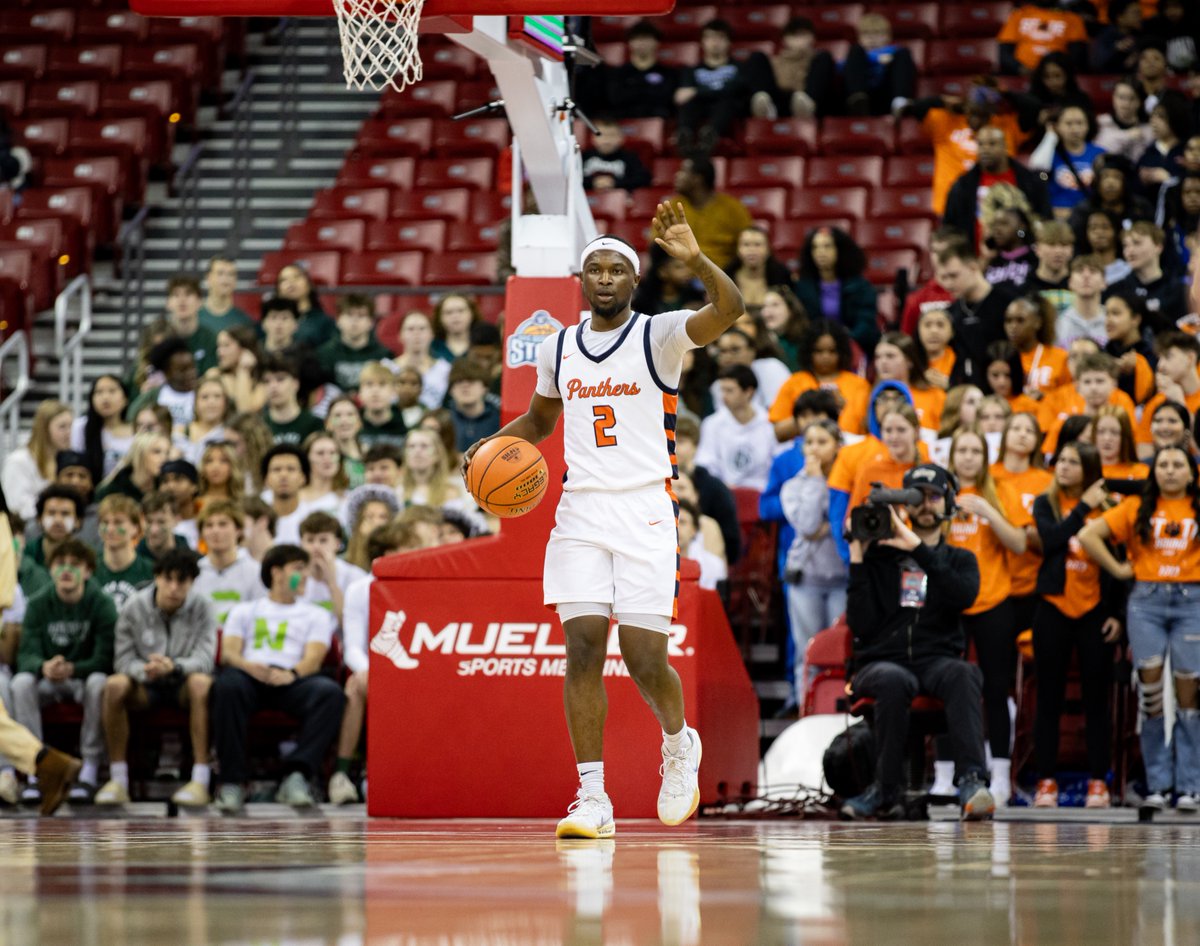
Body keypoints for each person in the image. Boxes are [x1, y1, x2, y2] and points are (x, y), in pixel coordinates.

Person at [462, 205, 746, 838]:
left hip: (646, 507)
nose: (607, 278)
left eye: (619, 269)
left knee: (644, 658)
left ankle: (678, 745)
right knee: (584, 647)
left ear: (634, 280)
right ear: (582, 282)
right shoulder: (557, 346)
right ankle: (592, 796)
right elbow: (538, 424)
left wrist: (697, 260)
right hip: (581, 510)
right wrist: (487, 448)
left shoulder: (661, 334)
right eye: (597, 269)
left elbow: (730, 311)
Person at [841, 464, 993, 821]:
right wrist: (859, 557)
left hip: (935, 660)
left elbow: (963, 596)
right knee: (895, 679)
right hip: (879, 663)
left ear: (949, 503)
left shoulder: (961, 560)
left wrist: (918, 549)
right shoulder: (878, 558)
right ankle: (884, 789)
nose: (926, 505)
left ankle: (972, 782)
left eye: (935, 497)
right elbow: (861, 626)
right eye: (916, 497)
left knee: (964, 673)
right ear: (903, 505)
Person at [1079, 446, 1200, 812]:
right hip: (1146, 601)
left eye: (1178, 464)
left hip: (1192, 601)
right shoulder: (1136, 507)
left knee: (1189, 693)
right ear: (1153, 472)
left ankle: (1190, 786)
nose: (1170, 471)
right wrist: (1118, 571)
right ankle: (1158, 785)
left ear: (1192, 473)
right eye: (1163, 464)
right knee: (1151, 696)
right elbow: (1088, 536)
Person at [210, 544, 344, 813]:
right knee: (226, 686)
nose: (305, 576)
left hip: (292, 678)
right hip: (251, 675)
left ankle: (297, 775)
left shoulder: (315, 614)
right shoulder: (245, 610)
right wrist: (249, 666)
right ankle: (232, 780)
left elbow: (314, 658)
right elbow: (229, 654)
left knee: (330, 693)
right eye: (298, 569)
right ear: (277, 572)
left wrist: (291, 674)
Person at [1030, 440, 1121, 808]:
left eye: (1072, 462)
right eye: (1060, 460)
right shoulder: (1045, 503)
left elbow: (1119, 562)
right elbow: (1051, 541)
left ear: (1089, 467)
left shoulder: (1111, 507)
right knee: (1047, 698)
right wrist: (1083, 507)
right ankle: (1046, 781)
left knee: (1096, 699)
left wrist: (1117, 613)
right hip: (1052, 609)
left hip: (1095, 611)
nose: (1063, 467)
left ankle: (1099, 781)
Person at [944, 427, 1032, 805]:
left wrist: (987, 512)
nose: (967, 457)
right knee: (948, 689)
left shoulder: (1000, 492)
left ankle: (999, 774)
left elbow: (1019, 543)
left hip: (995, 600)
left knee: (996, 690)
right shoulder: (938, 494)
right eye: (961, 450)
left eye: (974, 451)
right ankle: (946, 773)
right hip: (950, 605)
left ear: (984, 457)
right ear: (952, 457)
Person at [95, 549, 217, 807]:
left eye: (181, 581)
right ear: (156, 578)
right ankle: (118, 780)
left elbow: (206, 659)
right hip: (145, 684)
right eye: (167, 579)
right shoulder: (134, 606)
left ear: (191, 583)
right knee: (114, 685)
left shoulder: (203, 607)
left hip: (182, 682)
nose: (173, 588)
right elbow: (122, 660)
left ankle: (200, 779)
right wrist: (145, 670)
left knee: (201, 684)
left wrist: (174, 667)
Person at [12, 538, 117, 805]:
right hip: (48, 680)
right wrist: (42, 666)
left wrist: (73, 668)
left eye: (75, 564)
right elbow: (25, 656)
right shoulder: (37, 603)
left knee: (100, 682)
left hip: (81, 679)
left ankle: (89, 771)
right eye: (60, 564)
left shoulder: (102, 603)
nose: (66, 570)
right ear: (50, 569)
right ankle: (36, 770)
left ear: (89, 571)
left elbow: (106, 659)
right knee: (21, 683)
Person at [331, 521, 411, 805]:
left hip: (416, 669)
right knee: (356, 685)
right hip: (376, 668)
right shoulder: (360, 589)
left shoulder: (419, 584)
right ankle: (341, 775)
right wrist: (370, 671)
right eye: (406, 550)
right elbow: (352, 646)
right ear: (385, 554)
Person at [780, 418, 846, 706]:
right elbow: (807, 525)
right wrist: (816, 480)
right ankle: (806, 707)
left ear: (837, 446)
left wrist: (828, 525)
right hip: (805, 579)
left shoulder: (847, 482)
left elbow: (843, 523)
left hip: (841, 579)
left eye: (823, 442)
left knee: (839, 650)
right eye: (809, 442)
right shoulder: (793, 487)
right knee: (807, 649)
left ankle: (836, 708)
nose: (814, 449)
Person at [934, 243, 1018, 387]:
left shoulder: (1008, 303)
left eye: (954, 275)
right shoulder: (951, 313)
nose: (948, 284)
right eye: (943, 277)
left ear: (973, 267)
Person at [769, 320, 868, 440]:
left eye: (832, 351)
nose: (825, 356)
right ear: (809, 352)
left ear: (841, 352)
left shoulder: (858, 384)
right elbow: (777, 432)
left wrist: (846, 406)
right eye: (819, 351)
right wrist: (808, 414)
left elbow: (868, 429)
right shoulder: (794, 382)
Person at [792, 227, 879, 355]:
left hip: (853, 347)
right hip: (815, 350)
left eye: (827, 246)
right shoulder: (802, 287)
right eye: (815, 247)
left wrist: (846, 342)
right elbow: (802, 325)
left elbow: (866, 323)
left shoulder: (860, 286)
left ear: (840, 250)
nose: (821, 252)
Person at [673, 18, 752, 155]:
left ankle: (710, 135)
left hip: (726, 111)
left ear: (729, 42)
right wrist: (718, 90)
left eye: (720, 38)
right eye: (710, 37)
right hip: (700, 108)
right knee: (688, 105)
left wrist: (698, 91)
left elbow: (737, 90)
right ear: (702, 42)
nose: (715, 43)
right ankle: (684, 135)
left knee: (727, 102)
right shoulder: (691, 71)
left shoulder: (739, 68)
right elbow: (681, 97)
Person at [695, 365, 776, 491]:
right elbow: (706, 464)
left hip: (761, 493)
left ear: (749, 392)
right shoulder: (712, 424)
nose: (724, 397)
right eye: (722, 390)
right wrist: (722, 488)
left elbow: (776, 464)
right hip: (723, 494)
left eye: (730, 390)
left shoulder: (769, 423)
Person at [668, 157, 753, 271]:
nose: (677, 175)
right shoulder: (671, 207)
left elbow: (748, 245)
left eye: (683, 171)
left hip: (723, 276)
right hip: (681, 279)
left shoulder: (733, 209)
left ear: (697, 179)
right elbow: (657, 249)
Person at [748, 16, 834, 120]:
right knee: (757, 57)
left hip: (808, 99)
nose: (799, 40)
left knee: (824, 57)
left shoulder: (818, 60)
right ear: (785, 39)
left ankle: (807, 106)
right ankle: (766, 107)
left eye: (803, 35)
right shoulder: (775, 61)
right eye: (794, 36)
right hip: (779, 102)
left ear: (812, 38)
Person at [1029, 105, 1106, 220]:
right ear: (1057, 126)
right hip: (1058, 215)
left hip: (1089, 216)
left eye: (1080, 123)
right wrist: (1050, 135)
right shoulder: (1050, 153)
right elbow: (1036, 166)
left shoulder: (1100, 153)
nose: (1075, 129)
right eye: (1068, 124)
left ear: (1088, 126)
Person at [193, 500, 263, 625]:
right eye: (209, 525)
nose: (215, 531)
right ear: (202, 533)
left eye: (223, 524)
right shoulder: (193, 572)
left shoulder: (256, 571)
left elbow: (261, 616)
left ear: (238, 530)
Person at [1, 400, 73, 521]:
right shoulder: (18, 461)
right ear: (44, 429)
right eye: (62, 427)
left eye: (70, 426)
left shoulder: (65, 460)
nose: (69, 432)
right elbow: (18, 508)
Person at [1108, 222, 1187, 330]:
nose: (1129, 251)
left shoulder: (1178, 290)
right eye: (1125, 245)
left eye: (1137, 243)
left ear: (1158, 247)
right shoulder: (1116, 291)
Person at [840, 12, 915, 117]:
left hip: (886, 97)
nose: (872, 39)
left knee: (903, 54)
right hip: (861, 98)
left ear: (888, 37)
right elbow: (843, 67)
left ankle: (900, 103)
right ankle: (857, 99)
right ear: (859, 37)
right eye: (866, 34)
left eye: (878, 33)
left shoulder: (895, 52)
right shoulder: (856, 53)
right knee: (855, 50)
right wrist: (875, 59)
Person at [297, 511, 366, 625]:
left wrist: (332, 583)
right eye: (310, 540)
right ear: (301, 544)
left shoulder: (356, 577)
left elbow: (350, 625)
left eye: (323, 540)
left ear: (337, 544)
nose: (316, 547)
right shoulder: (294, 577)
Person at [315, 294, 393, 393]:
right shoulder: (323, 354)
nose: (355, 320)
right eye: (349, 315)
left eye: (361, 315)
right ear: (338, 320)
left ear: (371, 322)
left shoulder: (384, 355)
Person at [1138, 331, 1200, 456]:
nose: (1160, 365)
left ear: (1190, 358)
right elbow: (1144, 458)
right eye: (1159, 358)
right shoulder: (1156, 403)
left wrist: (1181, 406)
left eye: (1168, 357)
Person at [604, 20, 678, 120]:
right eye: (637, 39)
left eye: (647, 38)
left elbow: (667, 99)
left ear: (657, 42)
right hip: (624, 119)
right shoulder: (618, 73)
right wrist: (649, 91)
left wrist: (634, 88)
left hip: (657, 120)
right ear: (629, 43)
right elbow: (616, 99)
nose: (642, 43)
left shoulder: (668, 73)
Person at [93, 495, 154, 612]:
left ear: (135, 527)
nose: (110, 529)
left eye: (118, 522)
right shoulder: (89, 569)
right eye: (105, 522)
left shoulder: (150, 570)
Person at [71, 375, 134, 484]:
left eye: (112, 391)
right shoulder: (81, 427)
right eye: (99, 392)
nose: (105, 397)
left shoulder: (137, 430)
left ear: (125, 399)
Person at [1003, 295, 1070, 398]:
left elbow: (1068, 396)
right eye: (1008, 321)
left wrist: (1044, 398)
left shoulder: (1060, 357)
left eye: (1020, 320)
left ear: (1037, 322)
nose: (1013, 326)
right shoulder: (1002, 359)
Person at [997, 1, 1088, 76]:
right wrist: (1020, 69)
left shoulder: (1072, 18)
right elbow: (1005, 53)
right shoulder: (1018, 15)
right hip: (1021, 74)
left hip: (1058, 77)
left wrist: (1055, 72)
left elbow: (1077, 54)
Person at [1103, 292, 1157, 406]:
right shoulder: (1102, 353)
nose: (1108, 320)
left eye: (1115, 313)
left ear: (1135, 319)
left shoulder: (1152, 355)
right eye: (1106, 314)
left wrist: (1137, 371)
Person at [724, 228, 793, 311]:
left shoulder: (782, 277)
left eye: (757, 245)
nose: (752, 250)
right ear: (738, 250)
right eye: (746, 244)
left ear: (768, 250)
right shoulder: (725, 277)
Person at [94, 432, 171, 505]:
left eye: (167, 453)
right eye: (156, 452)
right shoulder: (111, 491)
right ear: (140, 454)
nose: (164, 458)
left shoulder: (167, 489)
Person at [164, 275, 218, 375]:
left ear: (200, 302)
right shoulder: (160, 338)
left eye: (188, 294)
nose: (182, 300)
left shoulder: (210, 339)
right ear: (168, 303)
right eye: (176, 295)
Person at [261, 444, 315, 545]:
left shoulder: (312, 519)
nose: (283, 475)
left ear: (303, 478)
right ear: (266, 479)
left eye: (291, 469)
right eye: (276, 469)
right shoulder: (255, 520)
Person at [581, 117, 651, 193]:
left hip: (620, 199)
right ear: (593, 138)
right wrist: (593, 182)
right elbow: (572, 179)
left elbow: (643, 179)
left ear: (621, 138)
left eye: (612, 135)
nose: (606, 139)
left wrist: (614, 182)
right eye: (600, 135)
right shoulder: (584, 156)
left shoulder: (630, 158)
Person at [274, 263, 336, 349]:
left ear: (309, 285)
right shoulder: (269, 321)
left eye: (297, 277)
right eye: (284, 280)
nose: (290, 283)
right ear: (278, 290)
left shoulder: (324, 322)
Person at [207, 325, 265, 415]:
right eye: (219, 346)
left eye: (226, 346)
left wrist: (243, 371)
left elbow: (245, 412)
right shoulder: (214, 375)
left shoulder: (263, 381)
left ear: (245, 348)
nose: (219, 352)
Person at [447, 360, 501, 455]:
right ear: (451, 390)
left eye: (471, 380)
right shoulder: (444, 420)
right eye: (459, 381)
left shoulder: (500, 419)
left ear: (485, 387)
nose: (465, 386)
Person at [1095, 78, 1154, 163]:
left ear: (1140, 101)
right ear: (1113, 98)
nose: (1126, 104)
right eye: (1121, 97)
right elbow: (1101, 153)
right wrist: (1127, 136)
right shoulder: (1100, 123)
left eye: (1132, 98)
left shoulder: (1149, 129)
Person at [1058, 255, 1109, 348]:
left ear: (1104, 282)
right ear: (1070, 282)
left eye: (1093, 271)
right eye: (1079, 271)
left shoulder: (1112, 322)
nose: (1086, 276)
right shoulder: (1058, 323)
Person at [197, 256, 253, 336]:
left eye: (231, 274)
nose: (225, 279)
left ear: (236, 280)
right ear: (208, 277)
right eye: (220, 273)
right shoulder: (195, 318)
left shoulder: (244, 321)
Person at [182, 378, 232, 465]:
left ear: (226, 402)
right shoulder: (182, 432)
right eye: (205, 397)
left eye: (217, 396)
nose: (211, 402)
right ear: (195, 402)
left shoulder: (232, 434)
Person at [158, 459, 201, 549]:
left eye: (178, 480)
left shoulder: (206, 520)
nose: (171, 486)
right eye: (165, 481)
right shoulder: (153, 522)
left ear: (194, 486)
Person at [325, 395, 366, 488]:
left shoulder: (368, 454)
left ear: (359, 422)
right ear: (328, 423)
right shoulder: (323, 456)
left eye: (350, 414)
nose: (344, 420)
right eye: (337, 415)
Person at [431, 294, 480, 364]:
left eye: (461, 311)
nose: (455, 316)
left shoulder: (483, 346)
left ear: (472, 314)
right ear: (439, 318)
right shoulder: (432, 348)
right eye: (449, 312)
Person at [196, 441, 245, 510]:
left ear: (233, 466)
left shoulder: (242, 504)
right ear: (203, 467)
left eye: (224, 460)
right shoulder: (196, 504)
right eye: (209, 461)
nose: (215, 467)